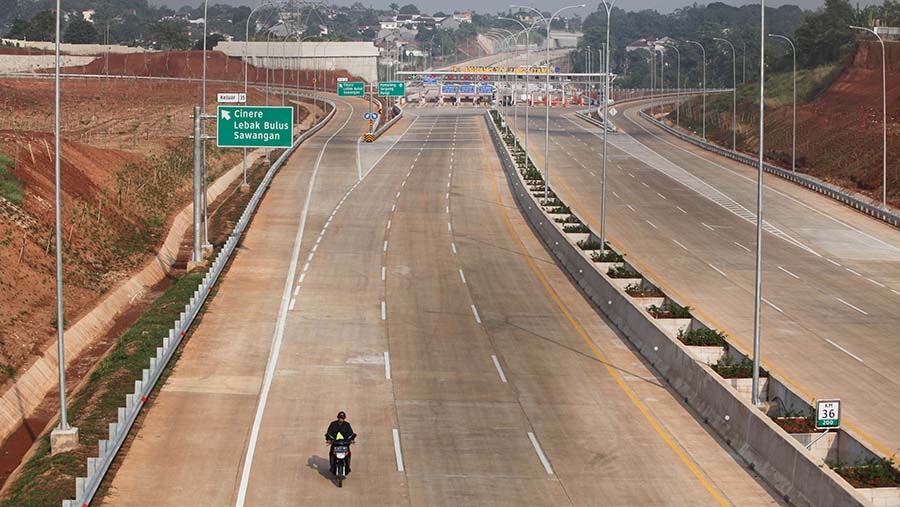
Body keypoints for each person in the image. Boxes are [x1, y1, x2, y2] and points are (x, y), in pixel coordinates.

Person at [325, 411, 357, 475]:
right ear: (338, 418)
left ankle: (347, 467)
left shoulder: (347, 425)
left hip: (345, 444)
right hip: (335, 443)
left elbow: (351, 433)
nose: (341, 419)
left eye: (342, 418)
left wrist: (352, 439)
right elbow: (329, 433)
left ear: (344, 418)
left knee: (348, 454)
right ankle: (332, 466)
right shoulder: (333, 424)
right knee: (331, 453)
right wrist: (328, 439)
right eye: (340, 418)